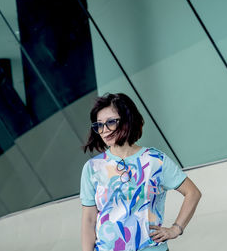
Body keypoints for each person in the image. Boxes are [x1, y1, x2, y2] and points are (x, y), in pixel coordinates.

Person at [80, 93, 201, 251]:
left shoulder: (155, 160)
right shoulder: (93, 168)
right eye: (99, 125)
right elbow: (89, 221)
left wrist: (176, 229)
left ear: (127, 120)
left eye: (110, 122)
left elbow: (193, 193)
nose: (104, 130)